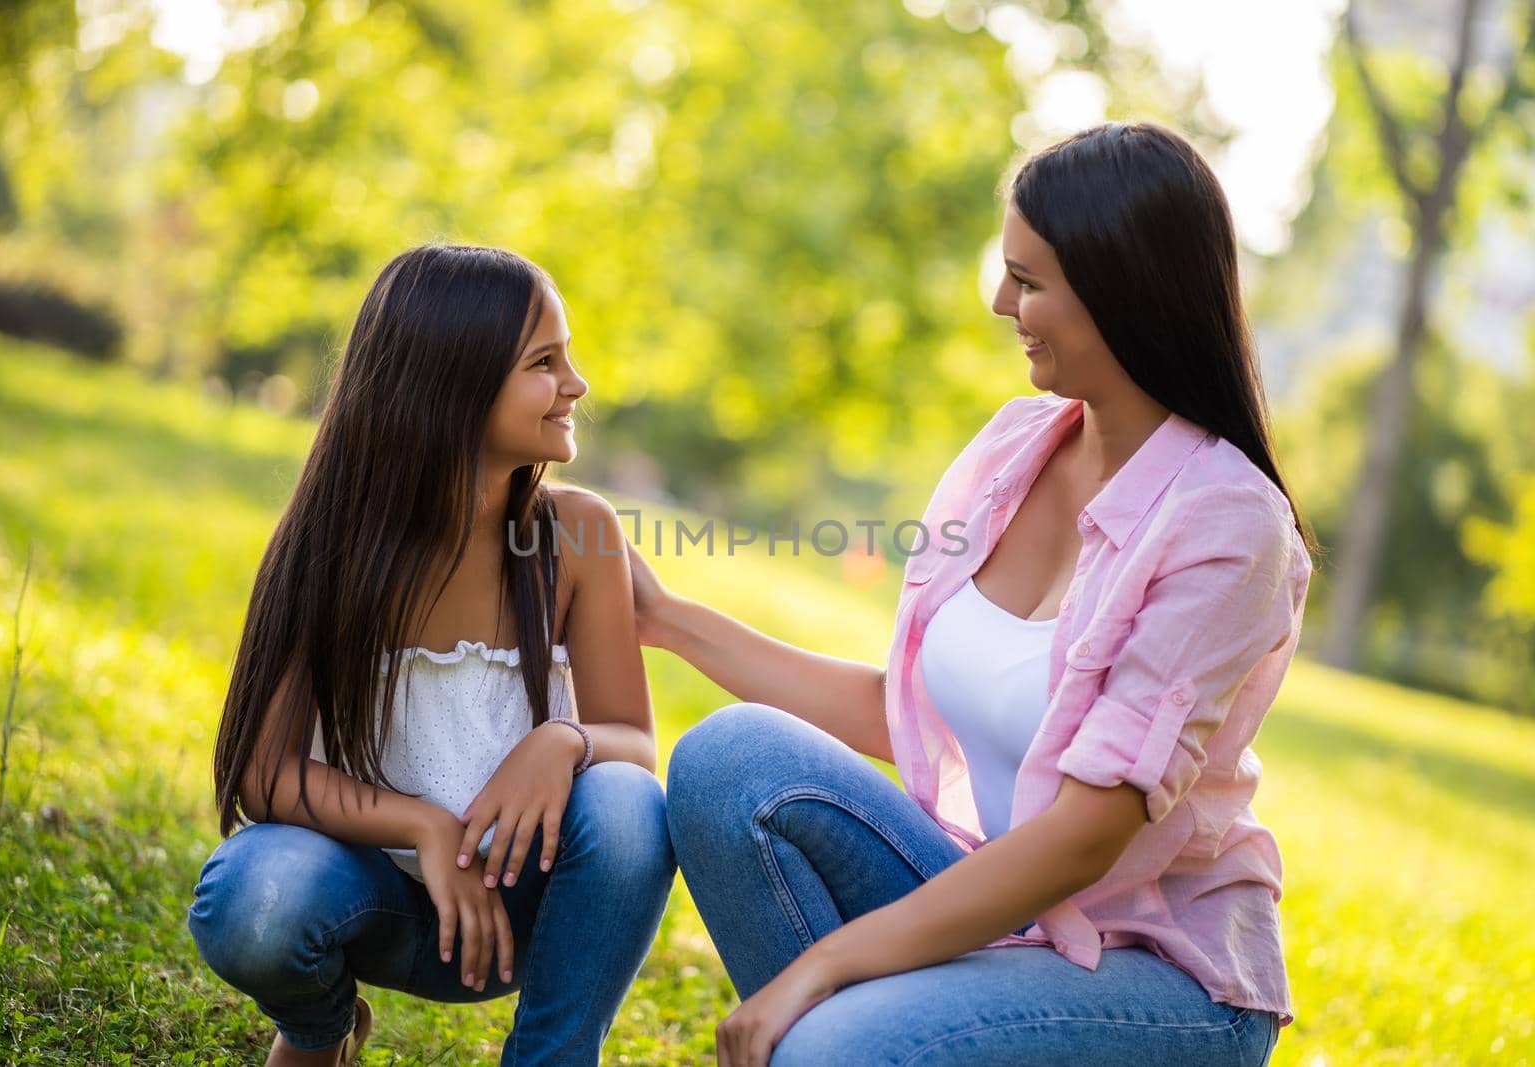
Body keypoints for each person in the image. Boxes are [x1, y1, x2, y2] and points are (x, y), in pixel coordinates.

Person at [627, 122, 1314, 1067]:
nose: (1000, 302)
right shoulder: (1012, 449)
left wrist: (828, 961)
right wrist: (665, 619)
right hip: (998, 906)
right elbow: (899, 709)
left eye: (1028, 280)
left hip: (1151, 970)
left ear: (1124, 290)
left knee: (833, 1045)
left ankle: (829, 1041)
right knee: (724, 760)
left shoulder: (1231, 526)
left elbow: (1083, 838)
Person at [187, 244, 675, 1067]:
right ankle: (318, 1031)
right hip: (369, 897)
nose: (576, 384)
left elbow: (632, 740)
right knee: (256, 896)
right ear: (455, 385)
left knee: (627, 802)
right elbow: (263, 773)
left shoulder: (580, 534)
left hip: (526, 908)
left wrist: (563, 741)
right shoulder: (331, 544)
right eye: (544, 362)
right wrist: (423, 824)